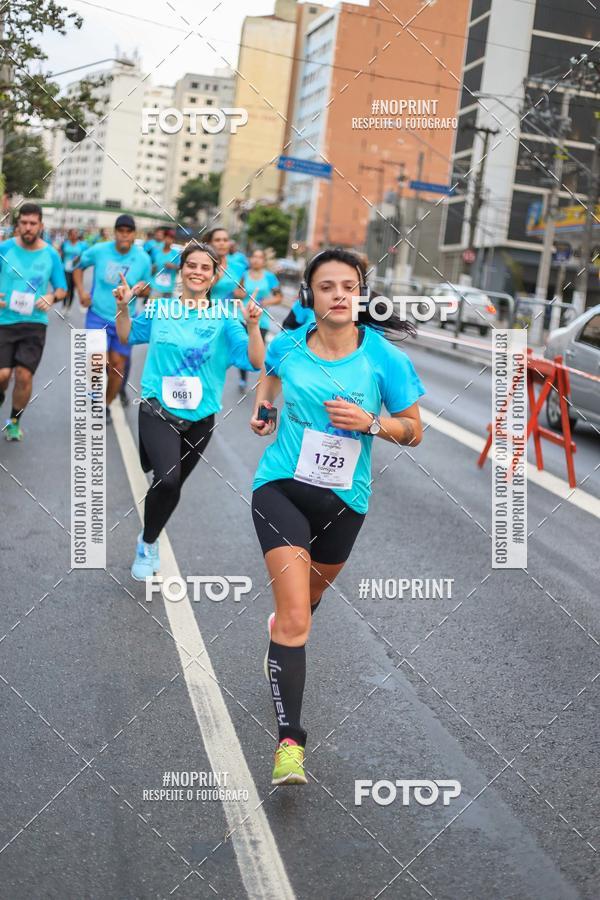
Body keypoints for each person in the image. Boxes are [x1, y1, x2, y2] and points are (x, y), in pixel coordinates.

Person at [249, 248, 425, 785]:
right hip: (280, 487)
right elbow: (270, 373)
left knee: (309, 602)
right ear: (311, 295)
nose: (340, 294)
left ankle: (283, 632)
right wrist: (266, 408)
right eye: (328, 286)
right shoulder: (288, 345)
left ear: (361, 293)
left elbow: (414, 429)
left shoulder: (382, 359)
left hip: (346, 502)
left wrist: (373, 423)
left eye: (349, 285)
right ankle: (290, 744)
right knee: (299, 617)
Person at [113, 243, 265, 580]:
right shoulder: (159, 309)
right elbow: (126, 335)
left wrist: (254, 327)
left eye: (204, 268)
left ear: (213, 276)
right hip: (158, 407)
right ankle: (148, 544)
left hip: (200, 416)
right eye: (190, 265)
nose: (197, 272)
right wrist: (123, 308)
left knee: (172, 486)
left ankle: (147, 536)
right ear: (181, 271)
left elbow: (255, 361)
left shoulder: (226, 316)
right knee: (167, 479)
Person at [72, 214, 152, 420]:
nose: (124, 235)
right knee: (98, 361)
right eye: (120, 231)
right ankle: (94, 395)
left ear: (134, 234)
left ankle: (106, 404)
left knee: (117, 365)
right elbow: (77, 266)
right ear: (115, 232)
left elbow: (147, 287)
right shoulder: (100, 251)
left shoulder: (142, 258)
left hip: (124, 318)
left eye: (128, 232)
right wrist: (81, 292)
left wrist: (140, 289)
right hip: (97, 315)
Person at [0, 203, 67, 441]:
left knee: (24, 376)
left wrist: (51, 296)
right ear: (18, 224)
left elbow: (62, 288)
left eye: (33, 224)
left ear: (41, 225)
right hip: (4, 321)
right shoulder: (4, 249)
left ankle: (14, 422)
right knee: (3, 375)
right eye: (24, 223)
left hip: (34, 324)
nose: (28, 228)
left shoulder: (51, 254)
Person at [238, 248, 281, 390]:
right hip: (243, 317)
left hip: (261, 319)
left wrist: (266, 302)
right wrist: (238, 293)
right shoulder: (244, 275)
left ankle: (261, 381)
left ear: (263, 261)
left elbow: (279, 297)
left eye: (259, 257)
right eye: (253, 256)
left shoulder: (269, 277)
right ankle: (243, 379)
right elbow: (239, 291)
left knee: (259, 352)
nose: (256, 260)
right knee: (244, 350)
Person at [60, 228, 88, 313]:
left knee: (72, 289)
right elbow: (62, 255)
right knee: (66, 287)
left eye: (76, 233)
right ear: (69, 235)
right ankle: (64, 305)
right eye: (72, 234)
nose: (74, 235)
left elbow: (85, 256)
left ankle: (69, 307)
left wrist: (81, 265)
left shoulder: (82, 245)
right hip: (66, 268)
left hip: (76, 270)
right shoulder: (65, 244)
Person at [151, 229, 180, 297]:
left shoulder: (175, 254)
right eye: (167, 237)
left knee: (164, 307)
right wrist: (153, 268)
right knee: (153, 306)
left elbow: (180, 268)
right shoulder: (156, 251)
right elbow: (150, 266)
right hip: (155, 287)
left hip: (168, 289)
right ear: (164, 238)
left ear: (173, 240)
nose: (168, 240)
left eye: (171, 238)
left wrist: (173, 266)